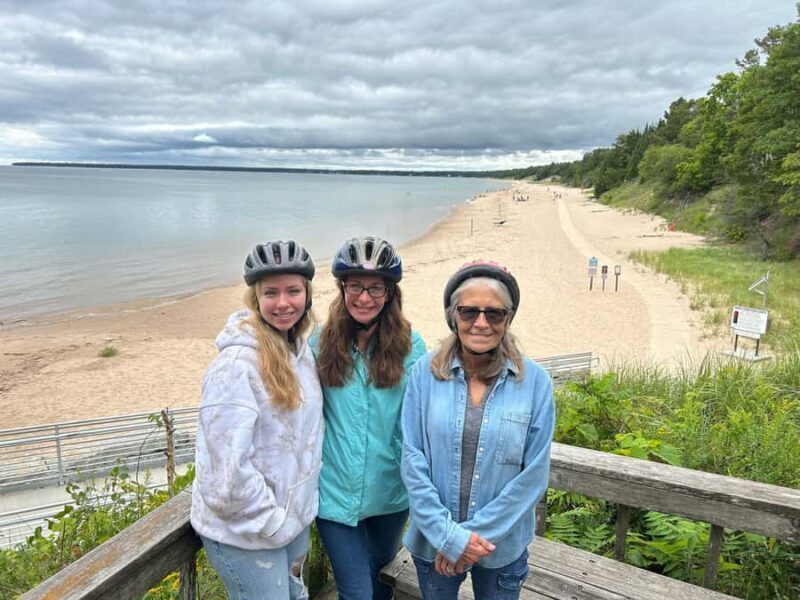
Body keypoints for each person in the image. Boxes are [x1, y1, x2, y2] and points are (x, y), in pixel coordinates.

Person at [401, 260, 555, 600]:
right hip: (433, 541)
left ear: (508, 318)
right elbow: (412, 460)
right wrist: (448, 537)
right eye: (469, 312)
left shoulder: (535, 383)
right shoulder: (424, 374)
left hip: (501, 547)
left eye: (494, 314)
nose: (481, 323)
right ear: (453, 315)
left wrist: (464, 541)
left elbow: (532, 477)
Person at [191, 240, 323, 600]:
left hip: (290, 522)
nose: (283, 303)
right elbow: (225, 476)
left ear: (307, 295)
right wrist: (273, 523)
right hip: (247, 533)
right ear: (255, 298)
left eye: (293, 291)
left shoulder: (299, 350)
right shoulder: (236, 367)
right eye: (271, 293)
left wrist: (293, 517)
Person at [311, 235, 427, 600]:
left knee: (382, 583)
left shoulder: (412, 347)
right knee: (357, 593)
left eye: (376, 288)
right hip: (334, 495)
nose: (364, 298)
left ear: (390, 293)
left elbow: (427, 416)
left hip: (390, 492)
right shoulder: (317, 344)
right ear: (342, 287)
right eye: (356, 286)